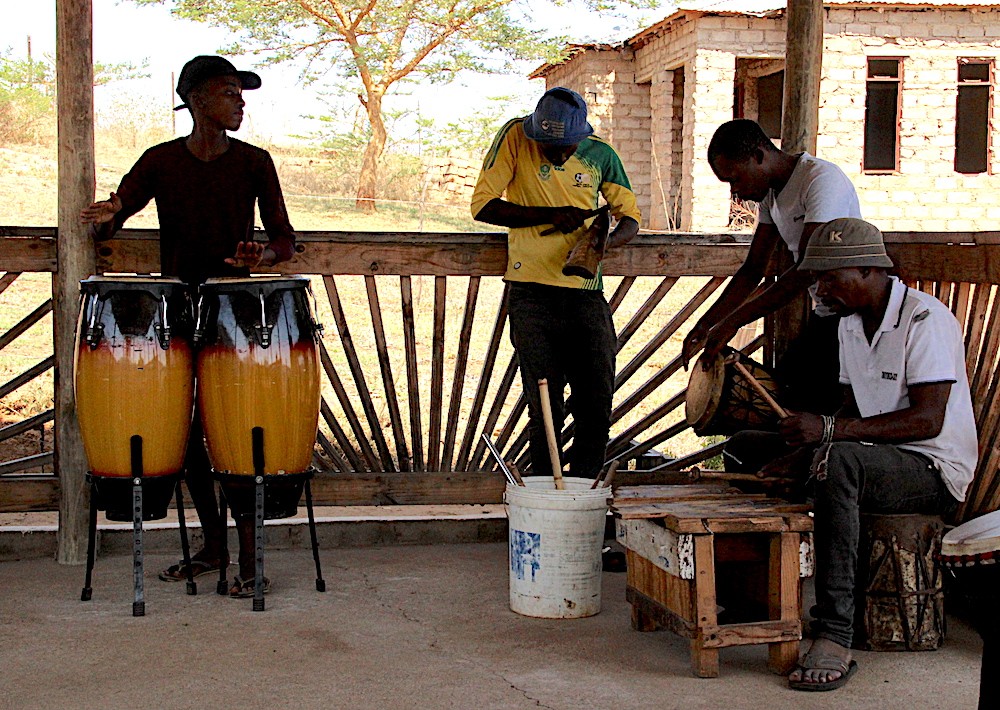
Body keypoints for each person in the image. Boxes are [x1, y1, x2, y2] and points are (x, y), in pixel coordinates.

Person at [80, 55, 297, 598]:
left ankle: (250, 558)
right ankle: (214, 547)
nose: (240, 102)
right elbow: (117, 212)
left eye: (241, 94)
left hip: (239, 313)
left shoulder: (254, 161)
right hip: (174, 312)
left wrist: (261, 255)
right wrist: (105, 213)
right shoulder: (160, 161)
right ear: (196, 100)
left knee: (237, 429)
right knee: (191, 438)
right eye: (230, 92)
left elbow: (285, 239)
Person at [739, 218, 976, 691]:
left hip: (933, 469)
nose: (821, 289)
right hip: (878, 458)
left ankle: (835, 633)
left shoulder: (925, 320)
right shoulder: (849, 324)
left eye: (832, 277)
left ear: (872, 269)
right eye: (817, 278)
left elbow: (927, 421)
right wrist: (809, 447)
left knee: (840, 462)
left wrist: (829, 434)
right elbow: (852, 405)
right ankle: (750, 600)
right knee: (747, 448)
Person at [470, 87, 641, 480]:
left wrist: (603, 243)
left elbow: (629, 218)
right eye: (549, 146)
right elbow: (483, 205)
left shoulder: (601, 154)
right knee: (544, 403)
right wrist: (550, 216)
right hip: (531, 294)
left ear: (582, 136)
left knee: (596, 400)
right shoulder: (515, 136)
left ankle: (583, 494)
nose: (558, 153)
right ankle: (549, 494)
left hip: (585, 292)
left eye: (566, 146)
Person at [682, 119, 862, 415]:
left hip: (855, 316)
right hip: (827, 313)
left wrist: (732, 322)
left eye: (736, 179)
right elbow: (753, 269)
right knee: (785, 395)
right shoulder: (771, 196)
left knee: (808, 404)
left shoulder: (819, 180)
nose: (736, 192)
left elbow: (807, 267)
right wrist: (705, 325)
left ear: (759, 155)